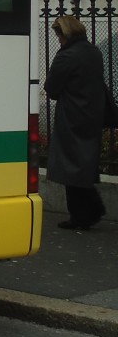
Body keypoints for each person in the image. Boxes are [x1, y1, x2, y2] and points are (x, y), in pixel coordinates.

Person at [44, 14, 111, 230]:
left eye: (59, 35)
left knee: (70, 167)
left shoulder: (66, 56)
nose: (58, 39)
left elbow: (51, 88)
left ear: (65, 34)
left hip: (71, 116)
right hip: (92, 114)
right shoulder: (94, 52)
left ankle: (84, 213)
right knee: (82, 165)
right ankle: (87, 212)